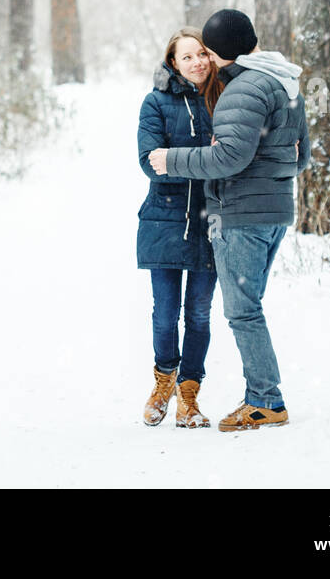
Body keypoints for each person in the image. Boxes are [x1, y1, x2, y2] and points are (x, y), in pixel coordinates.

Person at [149, 8, 310, 432]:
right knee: (248, 308)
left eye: (209, 50)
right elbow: (301, 157)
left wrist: (171, 159)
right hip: (275, 210)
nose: (207, 60)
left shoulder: (242, 89)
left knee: (242, 311)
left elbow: (227, 157)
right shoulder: (285, 81)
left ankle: (265, 401)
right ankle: (264, 396)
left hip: (242, 213)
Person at [137, 28, 221, 428]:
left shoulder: (223, 98)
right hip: (165, 220)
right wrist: (205, 160)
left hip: (213, 220)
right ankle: (162, 383)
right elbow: (149, 160)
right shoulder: (155, 103)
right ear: (173, 63)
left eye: (202, 54)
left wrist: (178, 159)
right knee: (165, 314)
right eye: (187, 57)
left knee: (200, 314)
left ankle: (189, 395)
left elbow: (234, 158)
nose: (197, 62)